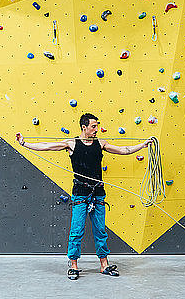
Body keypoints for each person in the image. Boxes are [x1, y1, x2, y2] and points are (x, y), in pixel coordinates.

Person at [16, 112, 152, 280]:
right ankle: (73, 265)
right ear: (84, 127)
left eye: (96, 126)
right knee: (76, 230)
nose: (96, 130)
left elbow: (124, 150)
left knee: (100, 231)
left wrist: (143, 145)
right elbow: (47, 146)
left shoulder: (100, 144)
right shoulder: (72, 144)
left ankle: (104, 265)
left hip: (98, 194)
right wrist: (24, 143)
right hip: (80, 194)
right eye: (93, 127)